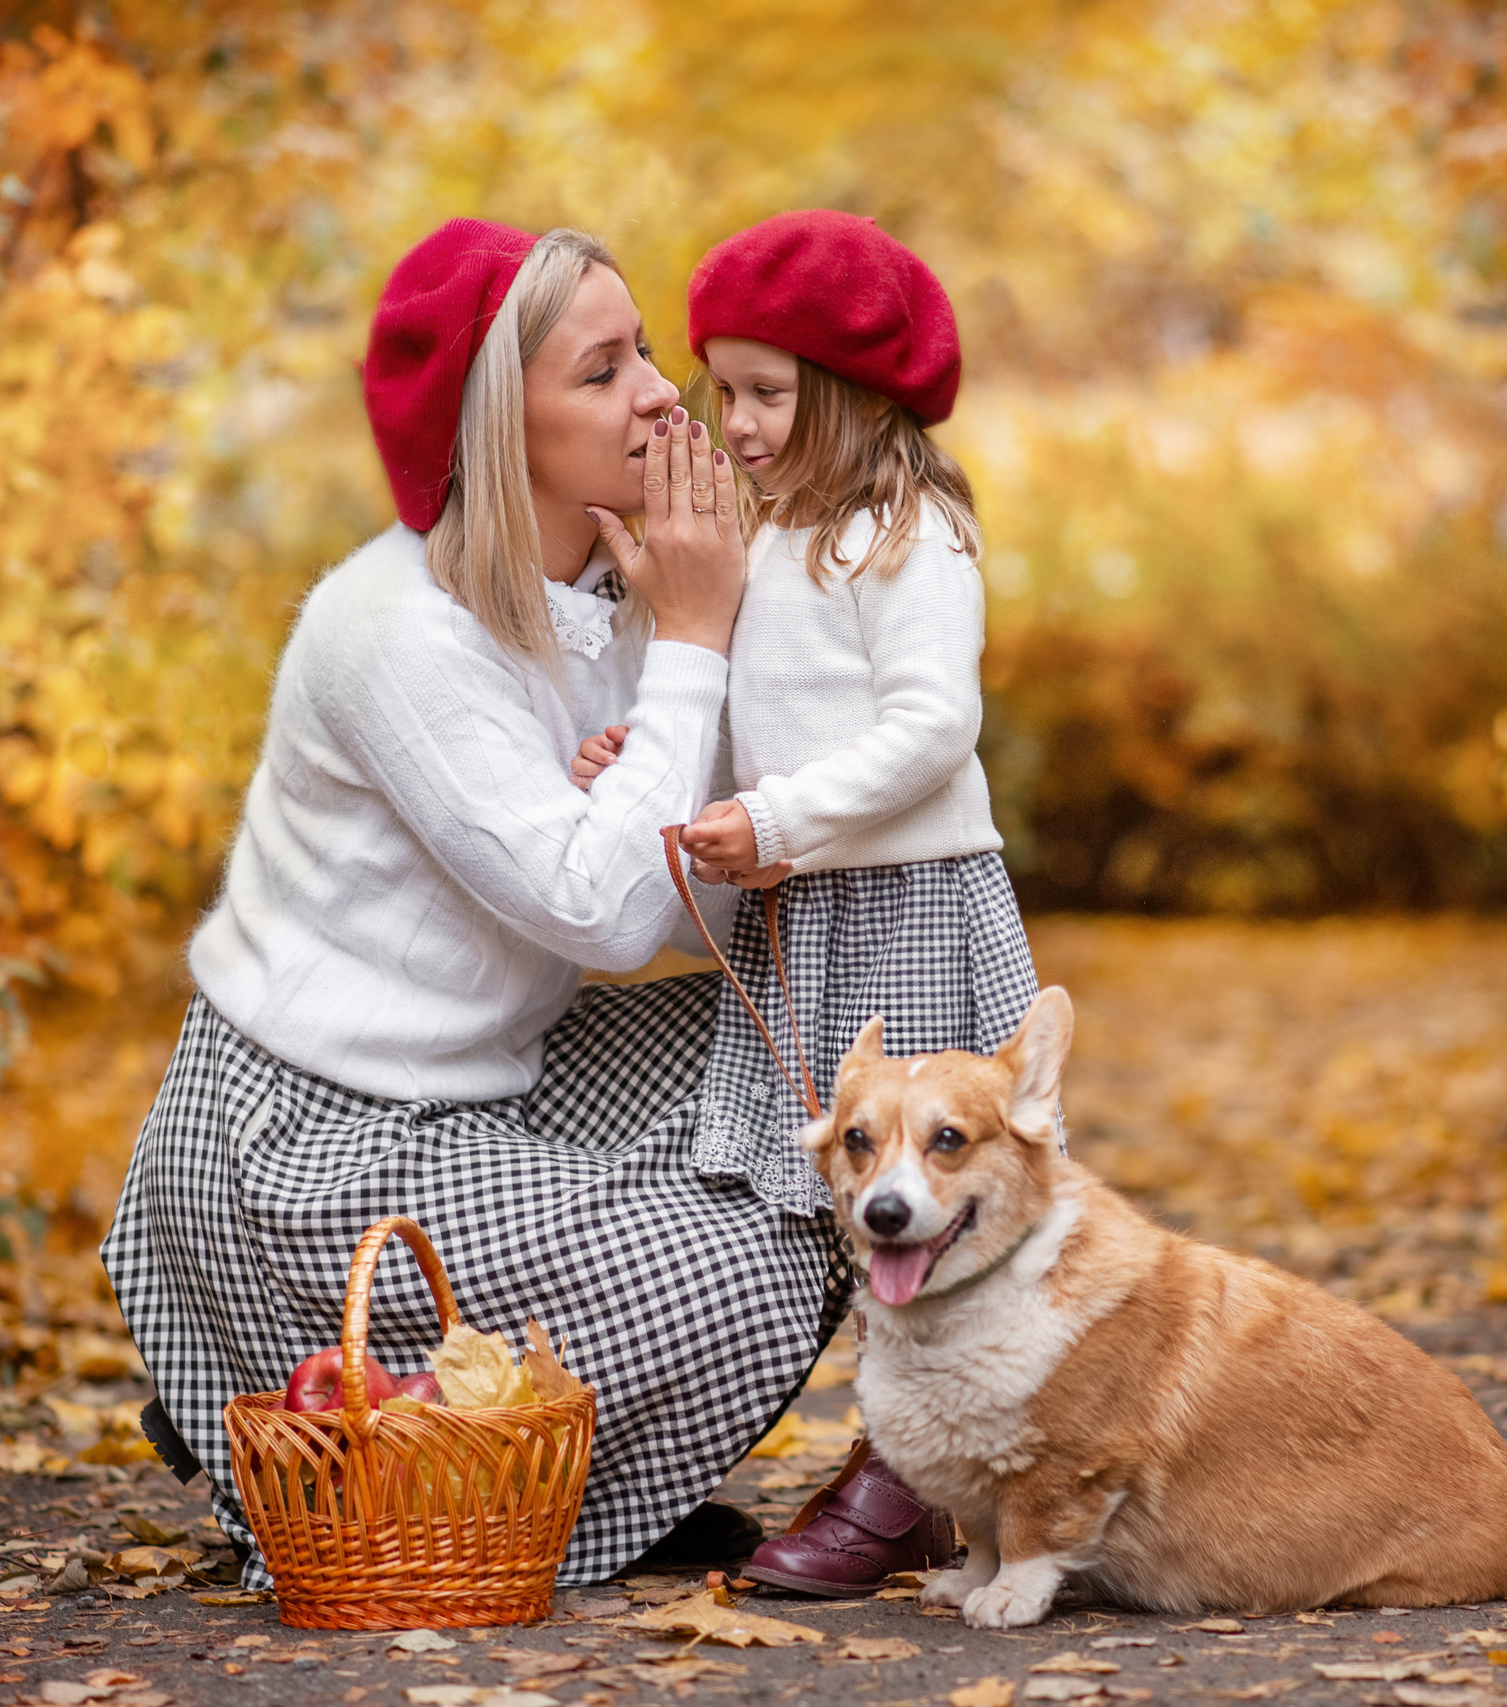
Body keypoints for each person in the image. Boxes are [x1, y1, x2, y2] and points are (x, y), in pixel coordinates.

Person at [100, 219, 848, 1587]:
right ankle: (427, 1457)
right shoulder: (396, 630)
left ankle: (545, 1443)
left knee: (825, 1079)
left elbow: (686, 884)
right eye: (603, 373)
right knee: (744, 1266)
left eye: (644, 353)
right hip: (309, 1142)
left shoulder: (610, 590)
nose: (661, 396)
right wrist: (694, 642)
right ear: (505, 429)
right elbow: (611, 917)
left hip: (488, 1072)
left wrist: (709, 672)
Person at [571, 209, 1038, 1595]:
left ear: (854, 391)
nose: (736, 423)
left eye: (768, 394)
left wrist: (775, 819)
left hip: (912, 908)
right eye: (723, 390)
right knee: (828, 1194)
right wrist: (671, 775)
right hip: (814, 916)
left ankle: (913, 1478)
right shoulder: (774, 537)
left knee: (925, 1189)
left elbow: (929, 729)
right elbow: (765, 716)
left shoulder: (907, 533)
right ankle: (895, 1457)